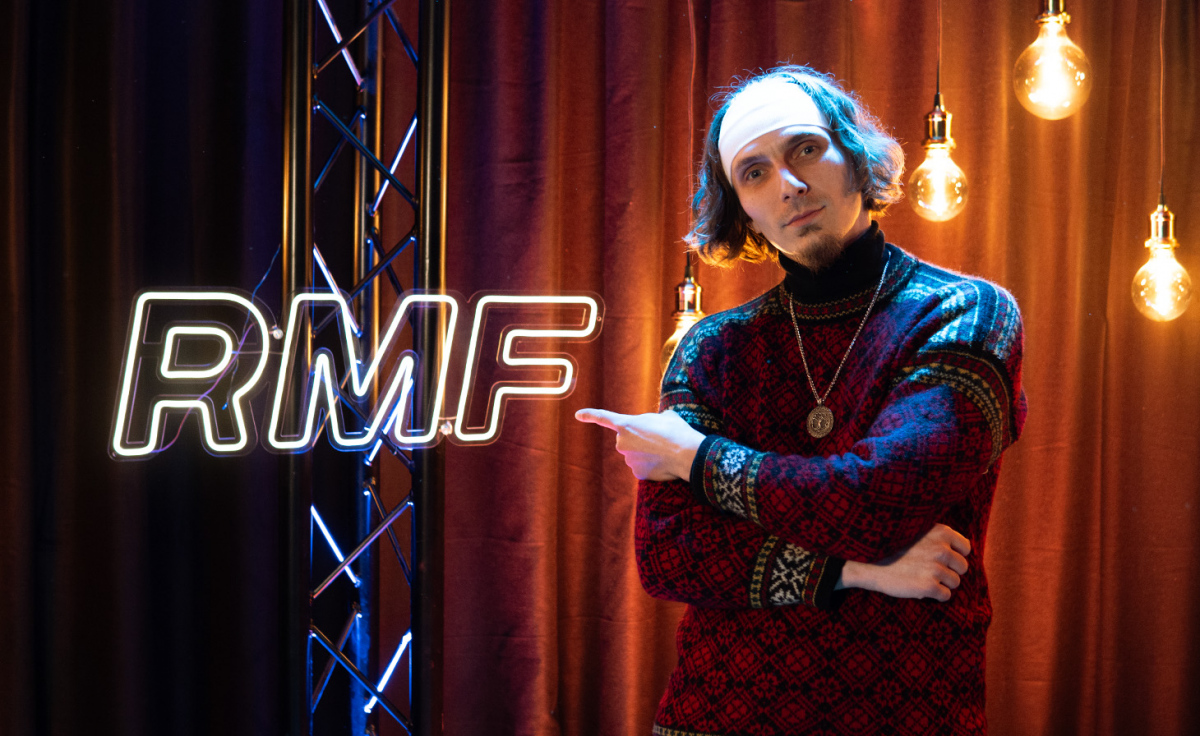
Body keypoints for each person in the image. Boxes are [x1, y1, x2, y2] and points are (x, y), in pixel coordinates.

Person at [576, 66, 1026, 735]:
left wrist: (696, 457)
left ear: (856, 154)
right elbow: (670, 553)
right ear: (742, 209)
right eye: (754, 172)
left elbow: (880, 500)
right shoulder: (713, 346)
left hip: (903, 716)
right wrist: (851, 570)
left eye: (806, 149)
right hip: (713, 717)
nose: (787, 184)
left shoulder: (964, 311)